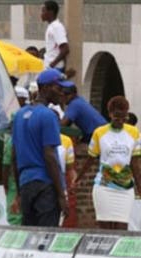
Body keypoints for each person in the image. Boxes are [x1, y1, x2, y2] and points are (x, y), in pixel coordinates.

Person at [11, 68, 70, 226]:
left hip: (26, 184)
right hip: (45, 185)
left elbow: (14, 156)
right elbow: (49, 155)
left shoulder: (18, 116)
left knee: (30, 237)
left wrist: (18, 191)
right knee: (46, 238)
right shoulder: (48, 115)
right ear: (45, 88)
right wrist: (61, 195)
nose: (62, 92)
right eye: (58, 88)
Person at [73, 96, 141, 230]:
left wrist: (139, 186)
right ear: (110, 114)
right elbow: (91, 159)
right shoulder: (100, 132)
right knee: (105, 229)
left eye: (123, 117)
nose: (120, 121)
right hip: (104, 186)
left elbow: (135, 163)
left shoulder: (134, 132)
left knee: (122, 228)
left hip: (125, 188)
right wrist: (78, 178)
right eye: (116, 117)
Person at [42, 1, 69, 71]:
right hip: (49, 67)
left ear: (50, 12)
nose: (41, 14)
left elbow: (65, 49)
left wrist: (52, 64)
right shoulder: (51, 27)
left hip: (54, 68)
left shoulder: (57, 27)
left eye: (43, 11)